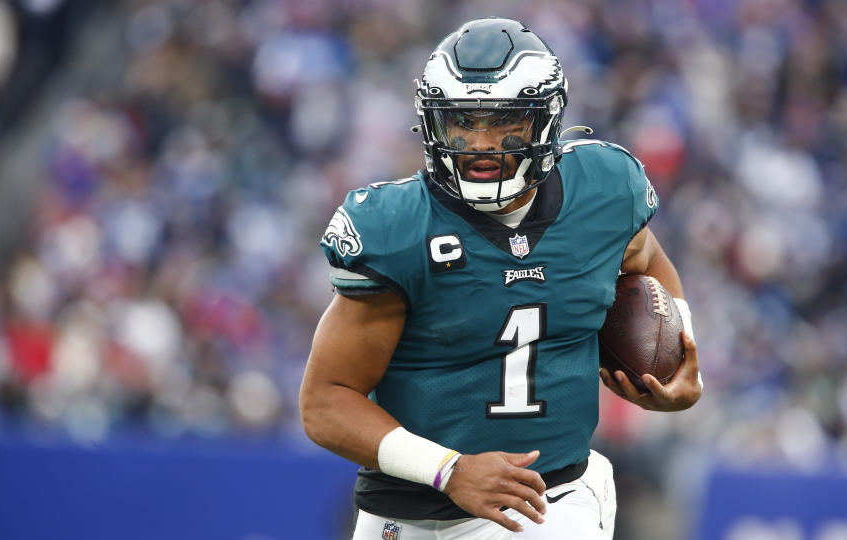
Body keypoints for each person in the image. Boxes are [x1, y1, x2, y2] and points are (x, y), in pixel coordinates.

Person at [299, 17, 702, 540]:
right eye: (461, 121)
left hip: (548, 500)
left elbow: (646, 261)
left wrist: (678, 353)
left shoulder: (602, 191)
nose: (480, 142)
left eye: (504, 119)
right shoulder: (397, 227)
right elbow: (325, 401)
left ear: (545, 120)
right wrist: (452, 469)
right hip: (408, 511)